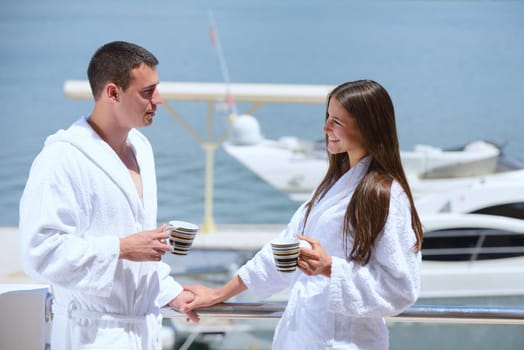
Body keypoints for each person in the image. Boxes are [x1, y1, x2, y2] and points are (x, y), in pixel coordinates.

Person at [181, 80, 424, 349]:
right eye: (327, 118)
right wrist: (219, 294)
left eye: (337, 121)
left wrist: (330, 267)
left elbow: (401, 288)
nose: (325, 129)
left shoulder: (385, 195)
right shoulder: (330, 188)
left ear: (368, 126)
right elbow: (280, 252)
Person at [19, 41, 197, 349]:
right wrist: (121, 248)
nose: (160, 99)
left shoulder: (141, 149)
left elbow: (137, 252)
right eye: (147, 92)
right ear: (112, 93)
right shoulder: (62, 158)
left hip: (142, 333)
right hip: (90, 336)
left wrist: (169, 291)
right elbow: (39, 253)